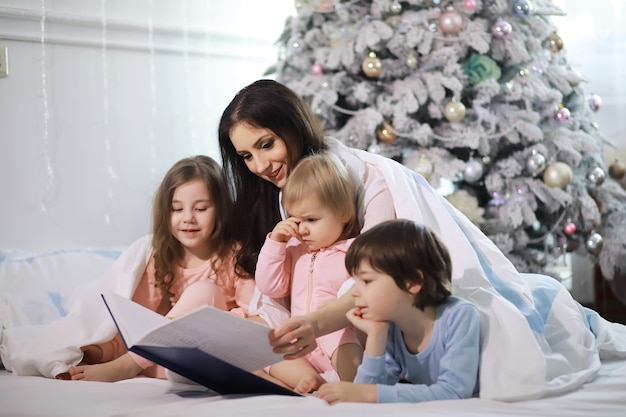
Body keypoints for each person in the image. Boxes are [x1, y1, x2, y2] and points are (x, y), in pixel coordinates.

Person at [218, 79, 625, 401]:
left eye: (266, 144)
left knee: (508, 330)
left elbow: (375, 273)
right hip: (343, 313)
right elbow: (284, 282)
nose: (260, 165)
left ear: (291, 125)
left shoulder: (367, 178)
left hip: (377, 302)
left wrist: (315, 322)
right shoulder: (288, 190)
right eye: (246, 156)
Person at [11, 155, 256, 381]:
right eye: (177, 208)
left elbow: (253, 317)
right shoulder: (159, 258)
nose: (188, 218)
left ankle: (127, 365)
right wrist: (100, 350)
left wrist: (206, 320)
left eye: (201, 209)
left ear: (221, 209)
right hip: (169, 361)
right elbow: (134, 322)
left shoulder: (235, 258)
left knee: (205, 291)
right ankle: (126, 361)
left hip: (215, 351)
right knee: (149, 342)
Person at [316, 219, 480, 404]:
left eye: (367, 281)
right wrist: (376, 336)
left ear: (412, 283)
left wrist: (367, 394)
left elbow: (455, 391)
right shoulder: (392, 326)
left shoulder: (459, 316)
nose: (354, 292)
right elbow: (370, 392)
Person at [255, 151, 363, 393]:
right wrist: (276, 242)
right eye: (296, 219)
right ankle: (309, 379)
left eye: (311, 220)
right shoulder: (295, 250)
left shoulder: (354, 252)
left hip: (340, 340)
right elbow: (269, 286)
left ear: (344, 213)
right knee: (269, 343)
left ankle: (350, 384)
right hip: (301, 347)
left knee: (341, 335)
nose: (302, 229)